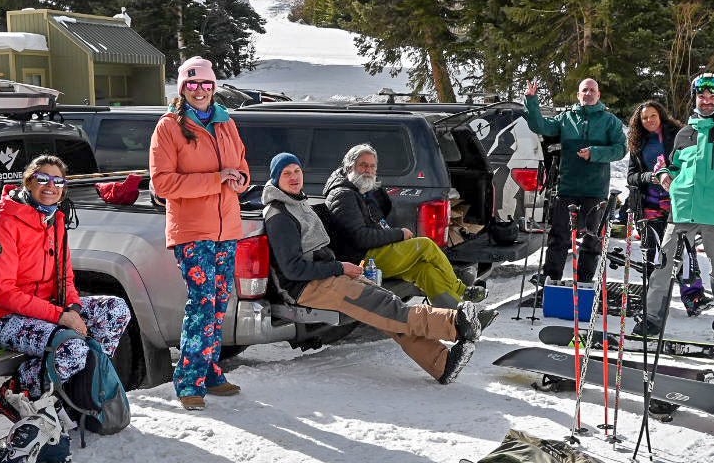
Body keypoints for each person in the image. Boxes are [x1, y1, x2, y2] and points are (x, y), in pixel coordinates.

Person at [263, 154, 480, 383]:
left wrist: (339, 267)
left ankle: (442, 364)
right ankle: (456, 324)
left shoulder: (296, 202)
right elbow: (293, 269)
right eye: (286, 173)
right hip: (307, 287)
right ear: (276, 178)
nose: (294, 177)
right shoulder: (280, 216)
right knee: (386, 306)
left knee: (386, 309)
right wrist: (339, 267)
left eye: (297, 171)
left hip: (326, 276)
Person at [0, 154, 133, 418]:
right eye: (43, 178)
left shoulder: (55, 220)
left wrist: (73, 308)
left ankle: (83, 385)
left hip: (46, 308)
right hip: (0, 317)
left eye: (58, 181)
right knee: (72, 348)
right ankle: (10, 394)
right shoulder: (2, 224)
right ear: (28, 182)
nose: (51, 186)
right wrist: (61, 316)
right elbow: (4, 293)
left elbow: (65, 278)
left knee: (116, 310)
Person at [148, 56, 250, 410]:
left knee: (219, 303)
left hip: (227, 229)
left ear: (214, 87)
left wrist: (239, 180)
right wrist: (216, 179)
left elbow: (242, 167)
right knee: (203, 302)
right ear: (182, 88)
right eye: (192, 84)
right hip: (192, 231)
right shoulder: (168, 127)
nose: (200, 90)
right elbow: (163, 184)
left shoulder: (226, 122)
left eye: (206, 84)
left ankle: (210, 372)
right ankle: (189, 380)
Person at [633, 72, 714, 343]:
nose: (706, 100)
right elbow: (673, 166)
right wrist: (663, 175)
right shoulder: (685, 133)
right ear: (694, 98)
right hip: (682, 210)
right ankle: (652, 319)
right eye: (701, 95)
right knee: (663, 267)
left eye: (711, 96)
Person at [321, 143, 484, 307]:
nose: (368, 170)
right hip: (361, 260)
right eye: (363, 165)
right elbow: (360, 238)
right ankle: (461, 290)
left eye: (372, 166)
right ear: (350, 167)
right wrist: (399, 234)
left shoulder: (360, 190)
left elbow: (378, 224)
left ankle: (456, 312)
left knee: (425, 270)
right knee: (425, 245)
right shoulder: (344, 195)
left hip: (374, 253)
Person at [523, 77, 626, 284]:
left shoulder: (610, 121)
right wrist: (531, 101)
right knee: (558, 236)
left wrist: (595, 153)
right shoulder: (566, 118)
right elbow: (539, 126)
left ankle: (584, 282)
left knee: (591, 238)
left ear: (598, 95)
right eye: (584, 90)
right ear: (578, 95)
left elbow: (621, 149)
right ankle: (551, 278)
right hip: (567, 186)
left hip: (595, 189)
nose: (588, 93)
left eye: (592, 90)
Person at [623, 100, 682, 277]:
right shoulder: (638, 141)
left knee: (677, 250)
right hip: (649, 204)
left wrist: (671, 174)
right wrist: (648, 177)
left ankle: (685, 287)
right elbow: (631, 176)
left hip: (676, 201)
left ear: (661, 115)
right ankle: (651, 288)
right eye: (645, 118)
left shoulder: (677, 135)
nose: (649, 120)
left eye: (653, 115)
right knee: (650, 251)